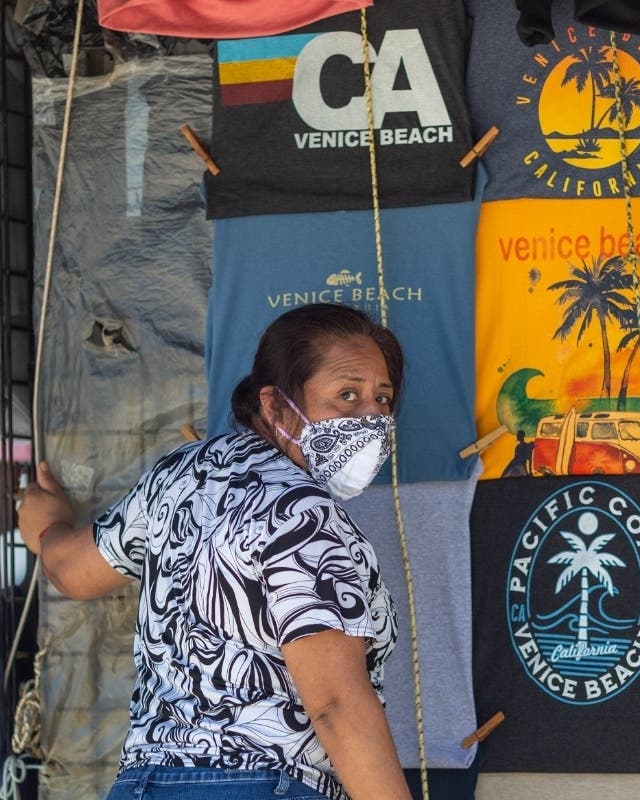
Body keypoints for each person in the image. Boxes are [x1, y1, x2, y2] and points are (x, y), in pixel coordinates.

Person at [18, 303, 413, 800]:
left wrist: (46, 526)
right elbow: (335, 704)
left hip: (141, 784)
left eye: (382, 399)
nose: (372, 419)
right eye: (347, 395)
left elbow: (70, 569)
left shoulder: (180, 475)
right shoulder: (305, 515)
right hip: (265, 784)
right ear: (274, 406)